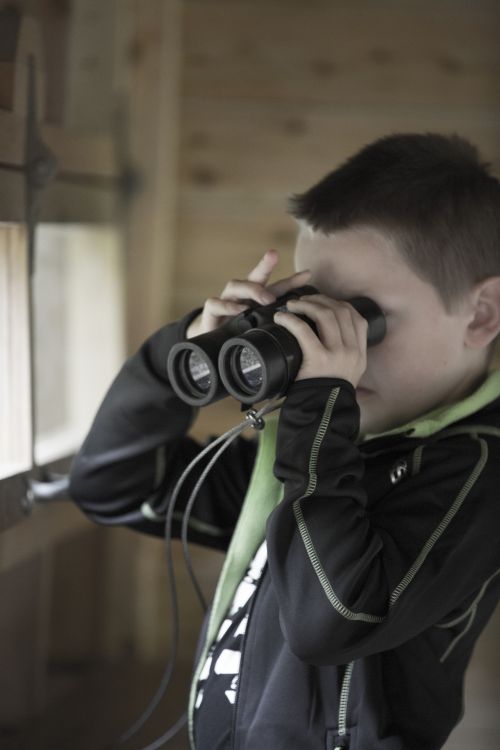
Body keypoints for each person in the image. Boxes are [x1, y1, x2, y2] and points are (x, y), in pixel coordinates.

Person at [69, 133, 500, 750]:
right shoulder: (305, 450)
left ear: (482, 314)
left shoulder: (478, 470)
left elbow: (336, 620)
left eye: (361, 318)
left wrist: (320, 410)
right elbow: (115, 485)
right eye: (310, 308)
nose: (329, 343)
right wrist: (181, 356)